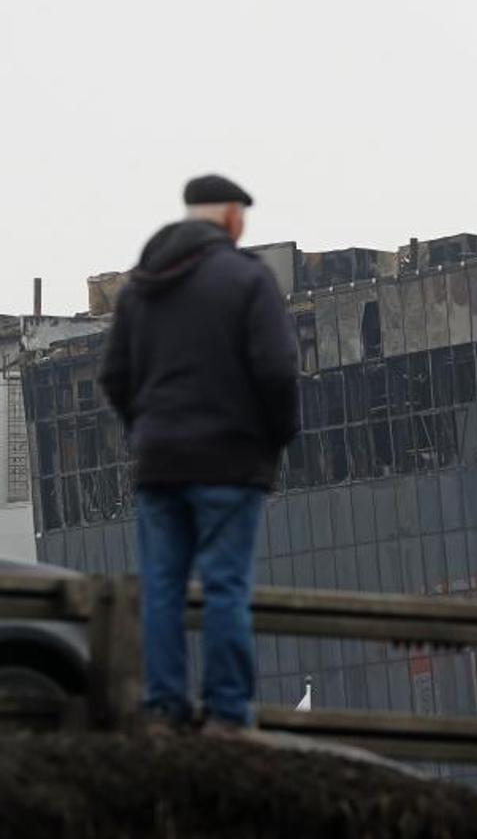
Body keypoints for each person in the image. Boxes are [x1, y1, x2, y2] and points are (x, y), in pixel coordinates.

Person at [99, 174, 299, 731]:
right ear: (230, 216)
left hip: (159, 463)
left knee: (161, 588)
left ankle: (163, 706)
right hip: (230, 463)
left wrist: (146, 428)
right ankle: (228, 712)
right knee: (224, 587)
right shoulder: (246, 280)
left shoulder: (141, 286)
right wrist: (275, 436)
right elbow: (278, 371)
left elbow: (114, 375)